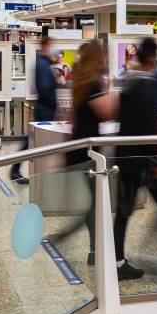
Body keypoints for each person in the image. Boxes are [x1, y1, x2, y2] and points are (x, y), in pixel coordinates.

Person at [114, 38, 157, 280]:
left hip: (126, 155)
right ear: (153, 56)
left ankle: (118, 260)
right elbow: (150, 129)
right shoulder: (148, 86)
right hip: (144, 161)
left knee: (124, 211)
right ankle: (140, 254)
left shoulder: (128, 82)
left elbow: (124, 118)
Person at [66, 41, 117, 265]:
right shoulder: (93, 84)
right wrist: (113, 91)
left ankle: (95, 248)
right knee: (96, 203)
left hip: (79, 146)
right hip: (88, 151)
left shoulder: (81, 81)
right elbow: (106, 113)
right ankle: (96, 250)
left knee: (94, 201)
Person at [11, 35, 57, 183]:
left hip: (44, 108)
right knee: (31, 141)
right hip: (45, 110)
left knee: (31, 141)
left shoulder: (43, 63)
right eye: (51, 46)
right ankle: (16, 171)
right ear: (45, 46)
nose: (52, 49)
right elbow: (44, 88)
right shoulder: (42, 64)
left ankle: (17, 170)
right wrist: (54, 102)